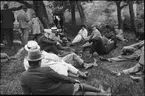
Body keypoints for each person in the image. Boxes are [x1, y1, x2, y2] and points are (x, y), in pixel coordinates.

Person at [20, 43, 111, 95]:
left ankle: (100, 92)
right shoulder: (46, 70)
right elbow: (61, 78)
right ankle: (103, 93)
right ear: (39, 61)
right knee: (80, 88)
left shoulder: (23, 76)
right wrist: (74, 80)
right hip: (60, 91)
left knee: (80, 91)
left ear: (29, 61)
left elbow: (26, 93)